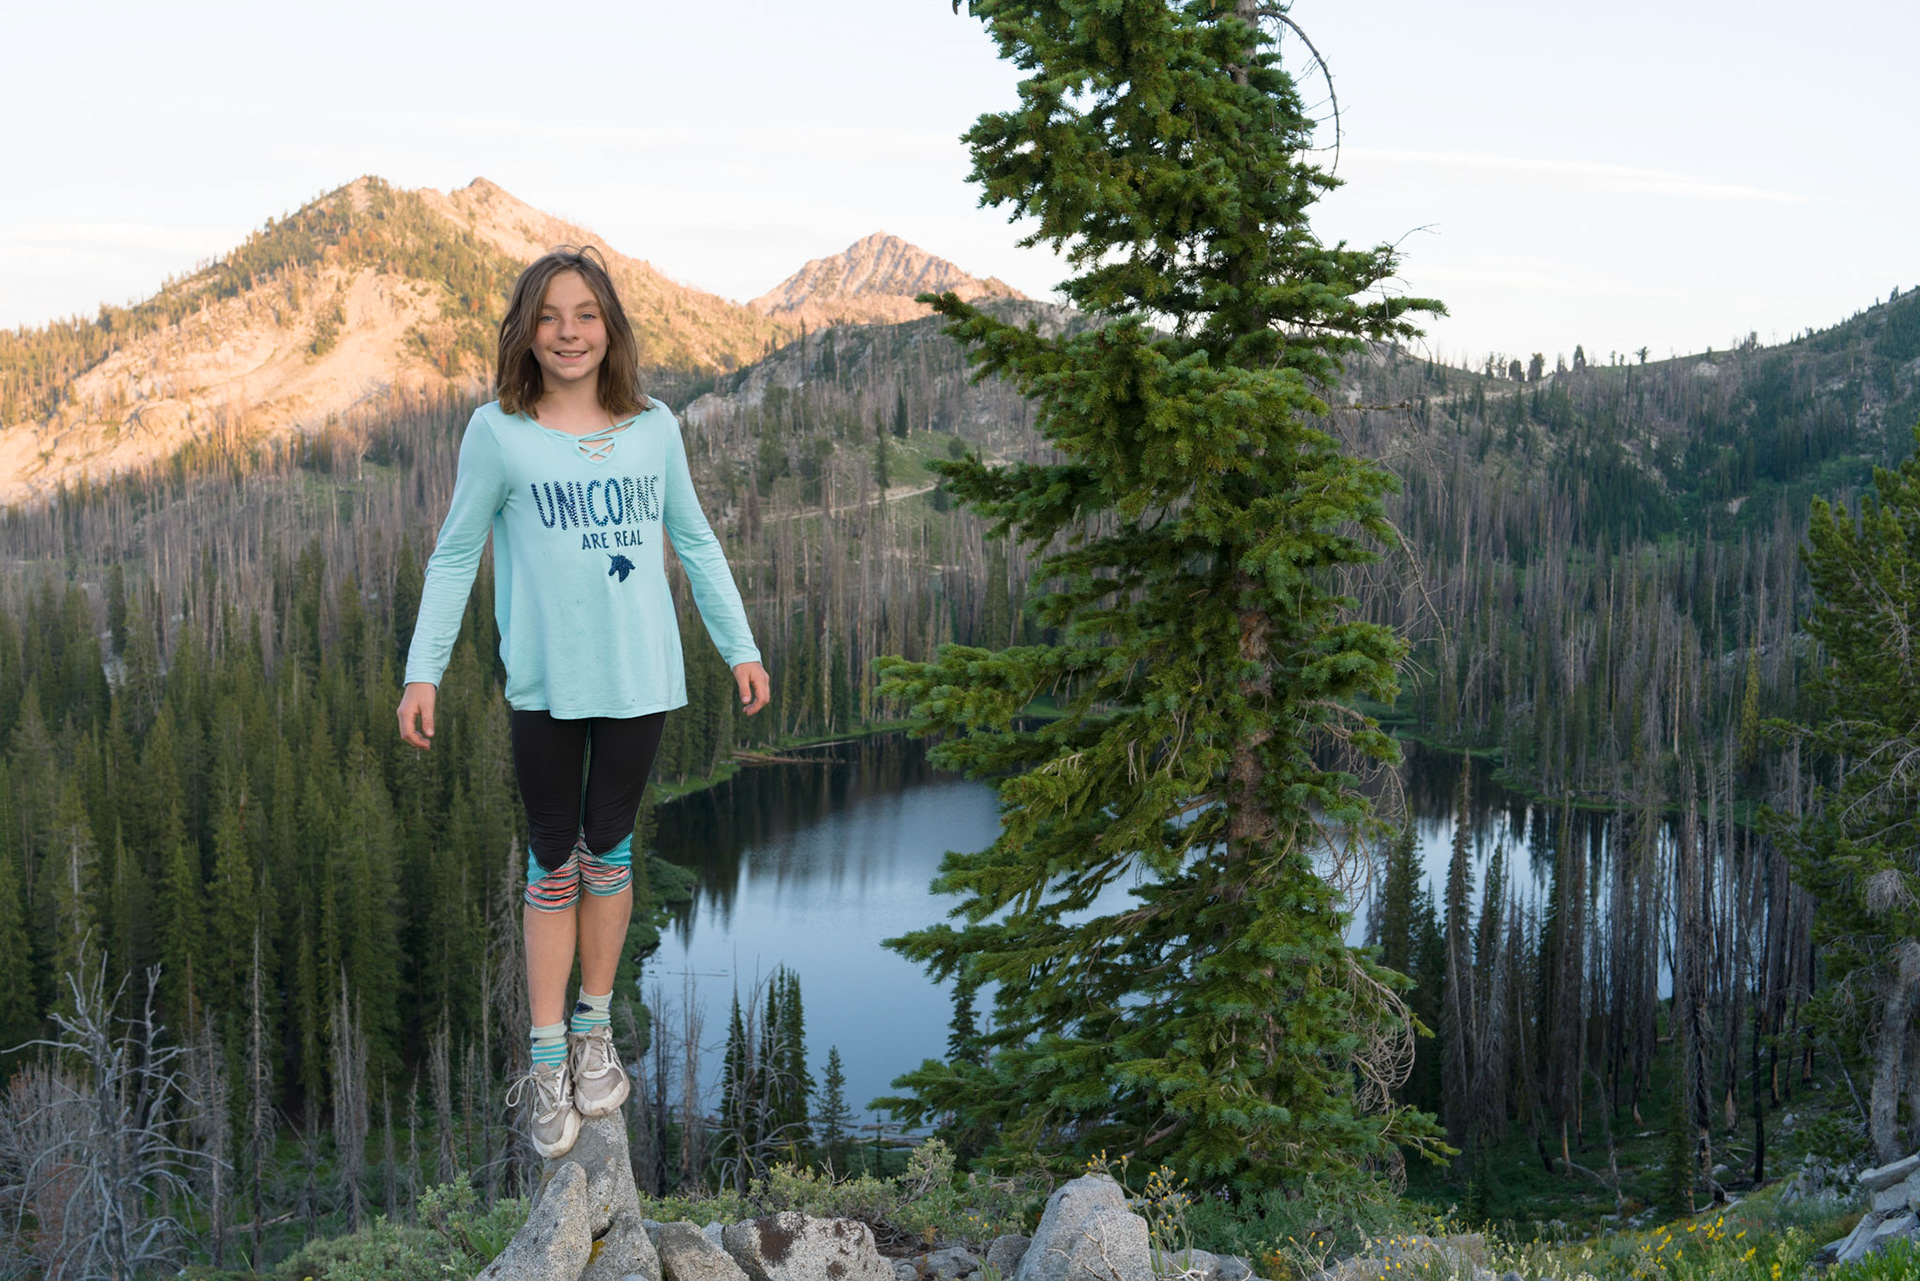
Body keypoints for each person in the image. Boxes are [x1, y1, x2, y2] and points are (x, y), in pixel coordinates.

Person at [397, 246, 770, 1159]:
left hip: (639, 677)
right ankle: (546, 1054)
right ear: (526, 331)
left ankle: (596, 1027)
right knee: (550, 860)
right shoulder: (498, 431)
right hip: (548, 685)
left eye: (587, 314)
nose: (569, 332)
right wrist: (423, 669)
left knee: (610, 848)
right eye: (551, 316)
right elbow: (454, 553)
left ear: (612, 328)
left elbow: (695, 537)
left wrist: (740, 645)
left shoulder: (655, 427)